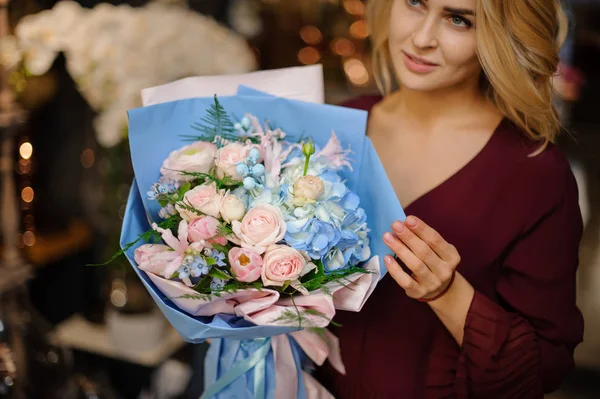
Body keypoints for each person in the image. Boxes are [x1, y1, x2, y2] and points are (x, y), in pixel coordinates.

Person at [315, 0, 585, 398]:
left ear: (498, 38)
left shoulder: (535, 174)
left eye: (459, 20)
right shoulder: (335, 127)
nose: (422, 39)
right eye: (414, 3)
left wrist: (448, 294)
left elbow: (543, 369)